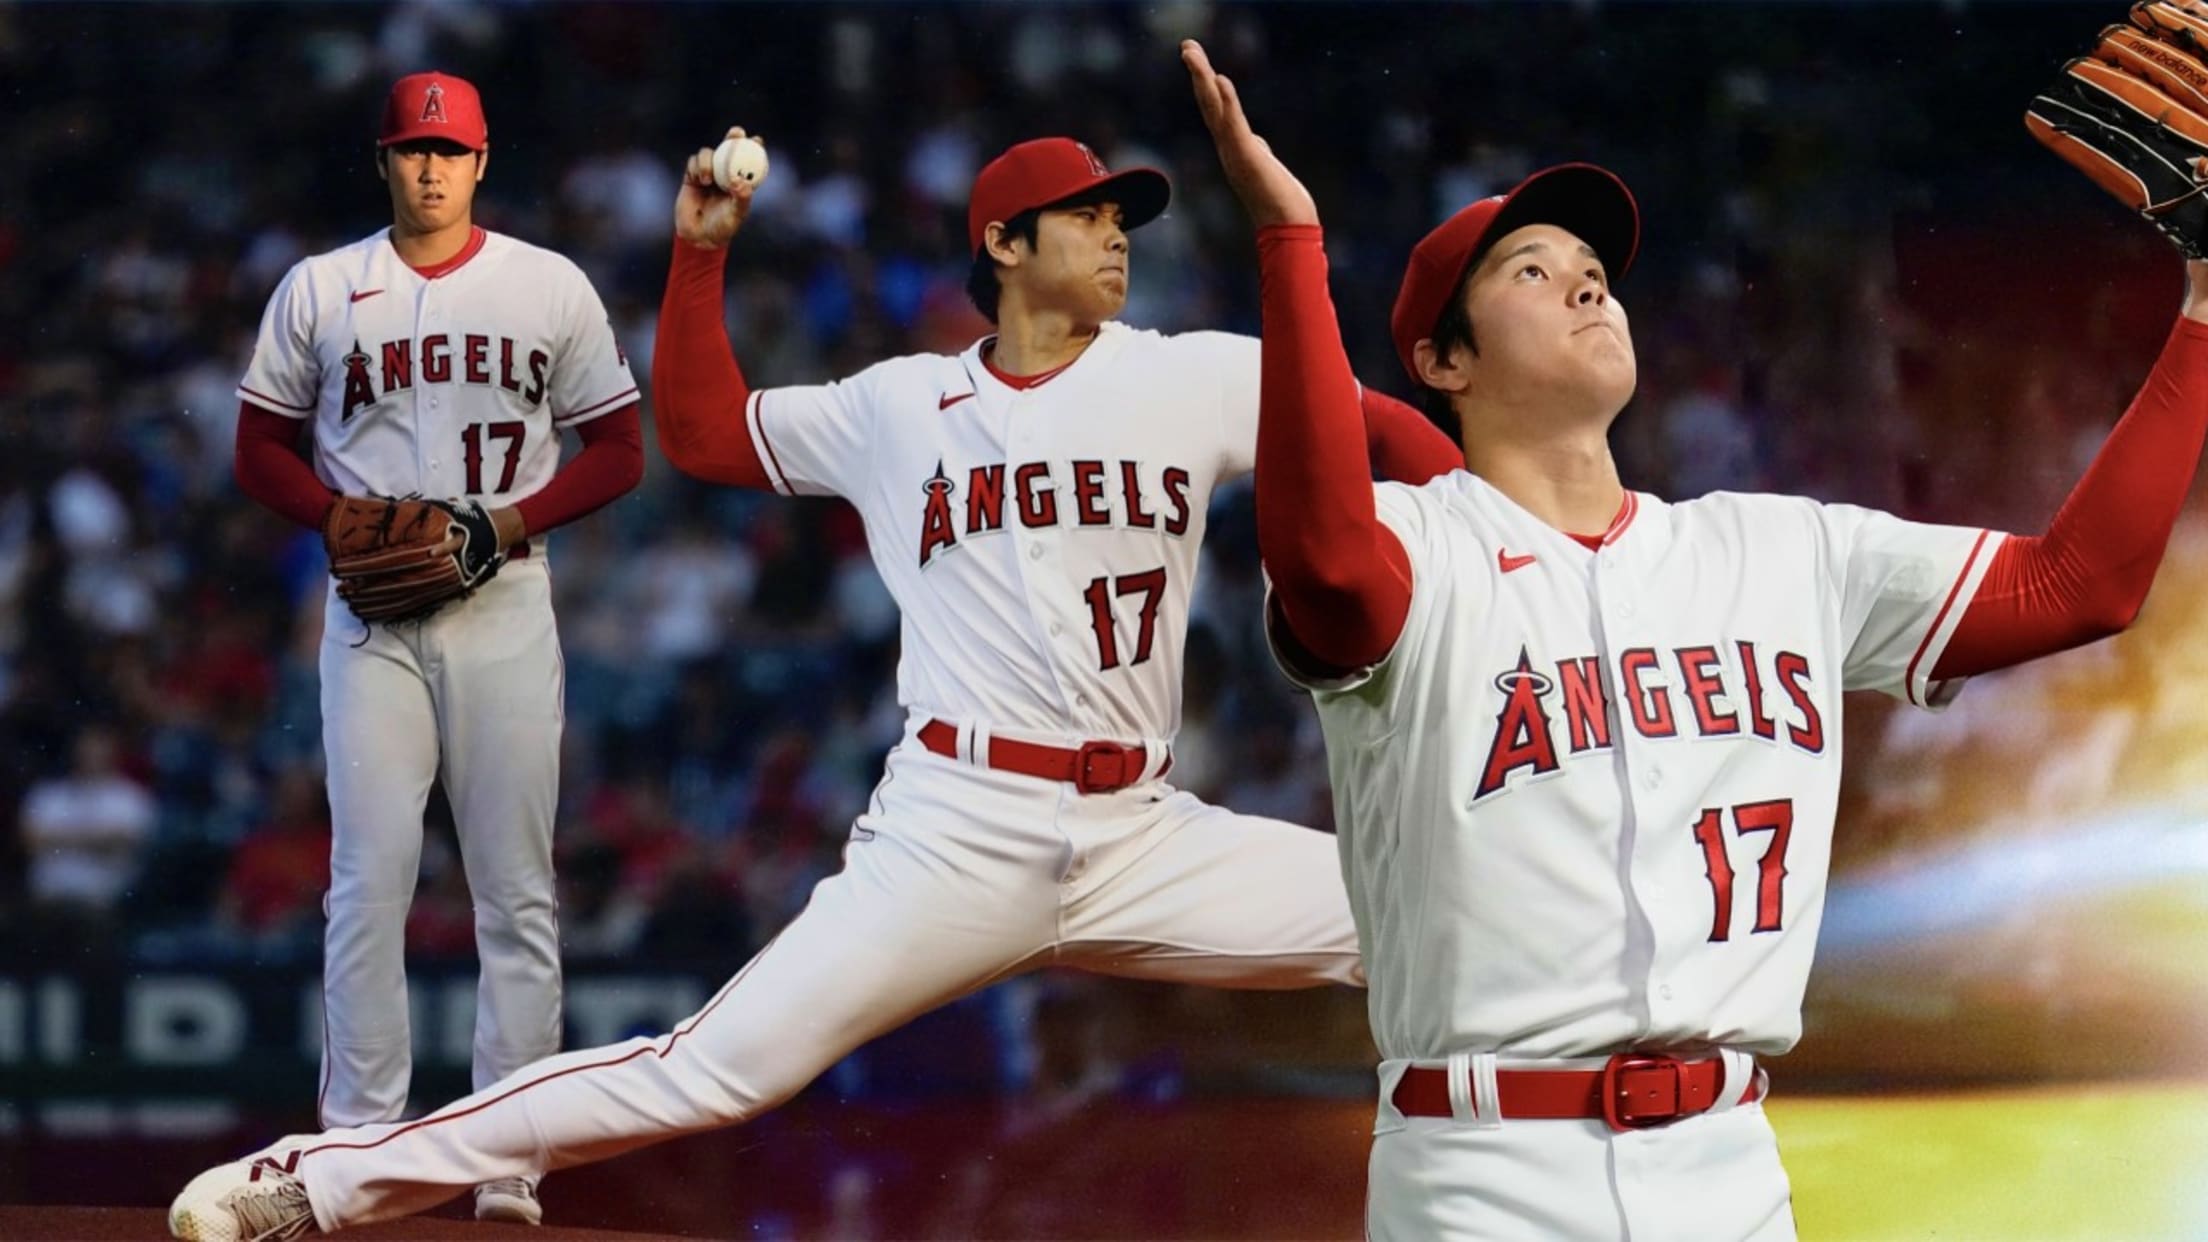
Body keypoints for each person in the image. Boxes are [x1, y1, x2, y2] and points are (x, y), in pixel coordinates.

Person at [166, 129, 1461, 1236]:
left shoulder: (1195, 371)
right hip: (960, 825)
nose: (1118, 235)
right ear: (1004, 246)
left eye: (1125, 217)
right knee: (707, 1070)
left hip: (1148, 827)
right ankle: (314, 1181)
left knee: (1469, 920)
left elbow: (1382, 431)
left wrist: (1470, 534)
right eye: (1087, 217)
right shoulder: (904, 405)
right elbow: (706, 432)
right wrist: (702, 251)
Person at [1181, 36, 2208, 1240]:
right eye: (1532, 269)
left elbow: (2079, 584)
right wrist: (1289, 241)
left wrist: (2202, 303)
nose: (1586, 284)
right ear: (1441, 361)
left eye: (1594, 269)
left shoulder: (1781, 552)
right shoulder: (1417, 550)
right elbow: (1325, 559)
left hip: (1730, 1169)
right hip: (1485, 1176)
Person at [216, 70, 644, 1228]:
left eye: (449, 152)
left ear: (482, 161)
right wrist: (329, 517)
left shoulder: (546, 285)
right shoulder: (322, 289)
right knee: (368, 884)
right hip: (370, 615)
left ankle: (507, 1162)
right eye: (413, 150)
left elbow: (617, 449)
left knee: (515, 889)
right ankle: (357, 1149)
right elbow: (259, 444)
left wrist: (508, 521)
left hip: (503, 601)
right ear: (385, 159)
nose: (431, 168)